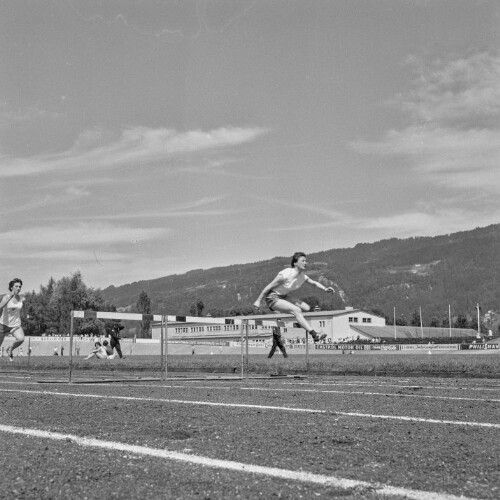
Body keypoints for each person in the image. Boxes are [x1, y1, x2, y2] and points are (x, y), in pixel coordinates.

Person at [253, 252, 334, 343]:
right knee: (297, 310)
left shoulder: (302, 276)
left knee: (307, 308)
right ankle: (314, 334)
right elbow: (269, 286)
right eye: (302, 261)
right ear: (295, 263)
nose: (305, 263)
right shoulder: (285, 274)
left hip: (284, 296)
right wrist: (258, 301)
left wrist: (325, 289)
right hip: (272, 297)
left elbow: (314, 283)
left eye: (306, 261)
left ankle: (303, 322)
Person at [0, 278, 26, 361]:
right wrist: (8, 299)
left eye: (20, 286)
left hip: (15, 325)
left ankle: (10, 349)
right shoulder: (7, 297)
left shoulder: (21, 298)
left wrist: (26, 313)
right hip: (3, 325)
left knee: (21, 339)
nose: (18, 288)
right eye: (16, 286)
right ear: (11, 287)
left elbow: (23, 312)